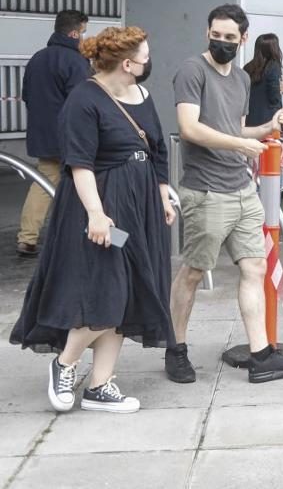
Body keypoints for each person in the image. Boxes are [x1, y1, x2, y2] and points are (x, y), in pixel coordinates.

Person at [10, 26, 175, 413]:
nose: (149, 61)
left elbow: (157, 151)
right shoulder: (83, 99)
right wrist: (97, 214)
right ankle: (65, 363)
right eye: (146, 56)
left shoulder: (142, 95)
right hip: (102, 208)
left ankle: (100, 385)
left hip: (139, 207)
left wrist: (163, 194)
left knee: (131, 289)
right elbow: (79, 164)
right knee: (109, 289)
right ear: (128, 64)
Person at [168, 4, 283, 384]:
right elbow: (189, 128)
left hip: (241, 188)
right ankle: (176, 349)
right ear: (207, 33)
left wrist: (269, 126)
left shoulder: (242, 79)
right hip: (206, 190)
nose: (222, 42)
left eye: (230, 37)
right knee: (193, 271)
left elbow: (237, 130)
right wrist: (240, 147)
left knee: (254, 267)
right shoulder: (192, 71)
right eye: (216, 35)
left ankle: (260, 355)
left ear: (243, 39)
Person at [17, 9, 91, 258]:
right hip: (71, 137)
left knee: (44, 183)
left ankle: (28, 238)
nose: (84, 37)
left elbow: (26, 96)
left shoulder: (37, 59)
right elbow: (83, 102)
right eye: (83, 32)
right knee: (87, 183)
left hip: (43, 135)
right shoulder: (76, 61)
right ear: (74, 33)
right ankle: (94, 235)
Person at [244, 33, 283, 130]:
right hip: (269, 121)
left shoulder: (247, 67)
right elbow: (274, 98)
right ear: (274, 48)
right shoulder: (273, 66)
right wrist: (281, 91)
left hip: (249, 120)